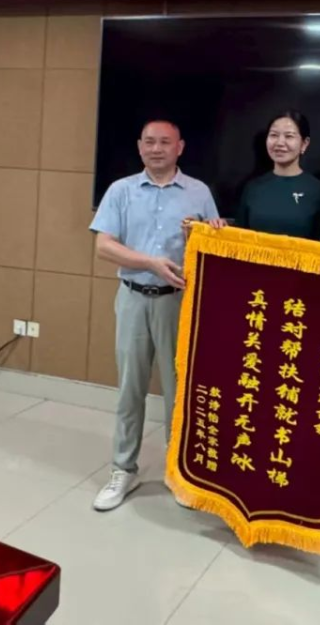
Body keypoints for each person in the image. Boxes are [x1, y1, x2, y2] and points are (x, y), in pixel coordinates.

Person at [89, 120, 219, 512]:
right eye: (149, 142)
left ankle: (178, 473)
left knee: (180, 391)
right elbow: (103, 246)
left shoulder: (199, 192)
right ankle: (122, 469)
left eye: (165, 142)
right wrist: (149, 262)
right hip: (132, 297)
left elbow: (212, 246)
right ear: (139, 146)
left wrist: (213, 232)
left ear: (180, 147)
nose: (156, 148)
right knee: (130, 388)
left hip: (177, 302)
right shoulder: (121, 190)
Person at [234, 110, 320, 239]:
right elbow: (238, 237)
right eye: (274, 135)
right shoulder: (252, 188)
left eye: (289, 136)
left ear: (304, 143)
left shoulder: (319, 191)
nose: (280, 143)